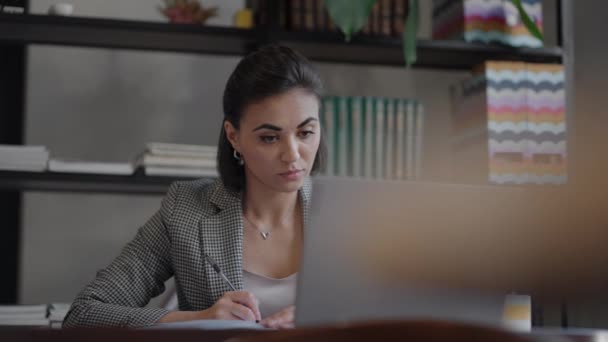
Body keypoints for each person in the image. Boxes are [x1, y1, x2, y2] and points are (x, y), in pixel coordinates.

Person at [63, 45, 326, 329]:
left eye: (305, 133)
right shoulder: (185, 209)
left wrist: (324, 323)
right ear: (234, 137)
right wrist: (198, 320)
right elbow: (83, 315)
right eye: (269, 138)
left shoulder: (348, 214)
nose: (292, 154)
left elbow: (379, 317)